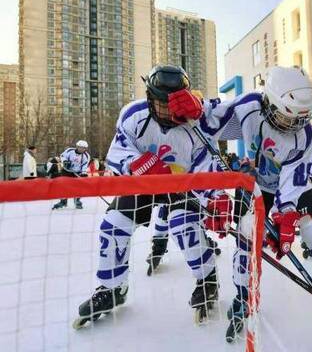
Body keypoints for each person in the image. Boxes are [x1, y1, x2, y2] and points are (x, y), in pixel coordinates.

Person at [168, 66, 312, 327]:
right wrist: (197, 107)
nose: (295, 126)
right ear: (269, 103)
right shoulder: (250, 107)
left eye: (302, 119)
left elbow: (293, 184)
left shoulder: (306, 137)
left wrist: (285, 216)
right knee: (247, 235)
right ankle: (244, 296)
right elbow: (212, 116)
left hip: (294, 186)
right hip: (257, 185)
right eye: (289, 119)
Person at [73, 65, 228, 328]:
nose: (168, 110)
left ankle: (207, 279)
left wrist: (216, 197)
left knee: (184, 227)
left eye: (173, 103)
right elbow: (116, 153)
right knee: (113, 227)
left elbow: (206, 165)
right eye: (160, 103)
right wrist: (138, 163)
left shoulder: (197, 125)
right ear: (149, 98)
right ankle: (111, 288)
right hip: (142, 183)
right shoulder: (133, 115)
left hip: (180, 186)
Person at [51, 140, 91, 209]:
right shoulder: (70, 151)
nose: (82, 149)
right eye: (80, 147)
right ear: (77, 146)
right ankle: (63, 201)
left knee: (77, 187)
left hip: (77, 172)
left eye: (84, 148)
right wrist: (65, 161)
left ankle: (77, 201)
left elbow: (85, 165)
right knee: (64, 186)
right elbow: (62, 156)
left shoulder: (86, 156)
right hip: (66, 171)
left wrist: (83, 173)